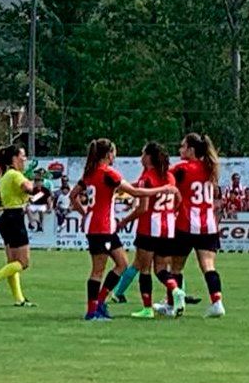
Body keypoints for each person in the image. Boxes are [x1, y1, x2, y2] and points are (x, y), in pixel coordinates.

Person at [71, 138, 155, 321]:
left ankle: (100, 302)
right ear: (108, 154)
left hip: (102, 227)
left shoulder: (90, 173)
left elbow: (73, 196)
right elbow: (136, 193)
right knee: (98, 270)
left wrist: (84, 212)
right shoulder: (108, 173)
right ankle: (92, 311)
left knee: (122, 263)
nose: (114, 156)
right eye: (114, 152)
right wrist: (164, 189)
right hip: (101, 228)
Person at [111, 141, 181, 318]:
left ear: (149, 157)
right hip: (168, 228)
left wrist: (125, 221)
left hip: (149, 228)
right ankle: (176, 290)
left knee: (144, 269)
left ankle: (147, 309)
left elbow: (142, 208)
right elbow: (178, 198)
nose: (141, 158)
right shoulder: (169, 177)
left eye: (143, 154)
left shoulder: (147, 177)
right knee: (161, 269)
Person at [169, 132, 226, 318]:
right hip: (208, 225)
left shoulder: (182, 168)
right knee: (208, 266)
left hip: (186, 223)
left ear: (191, 150)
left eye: (183, 146)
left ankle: (174, 305)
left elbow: (165, 180)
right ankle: (217, 302)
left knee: (176, 268)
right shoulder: (210, 167)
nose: (180, 150)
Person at [0, 145, 40, 307]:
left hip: (6, 218)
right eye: (23, 156)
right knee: (23, 262)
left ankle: (19, 299)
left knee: (12, 262)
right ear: (14, 158)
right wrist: (36, 188)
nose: (25, 159)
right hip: (15, 218)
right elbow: (28, 188)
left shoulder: (4, 176)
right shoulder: (15, 174)